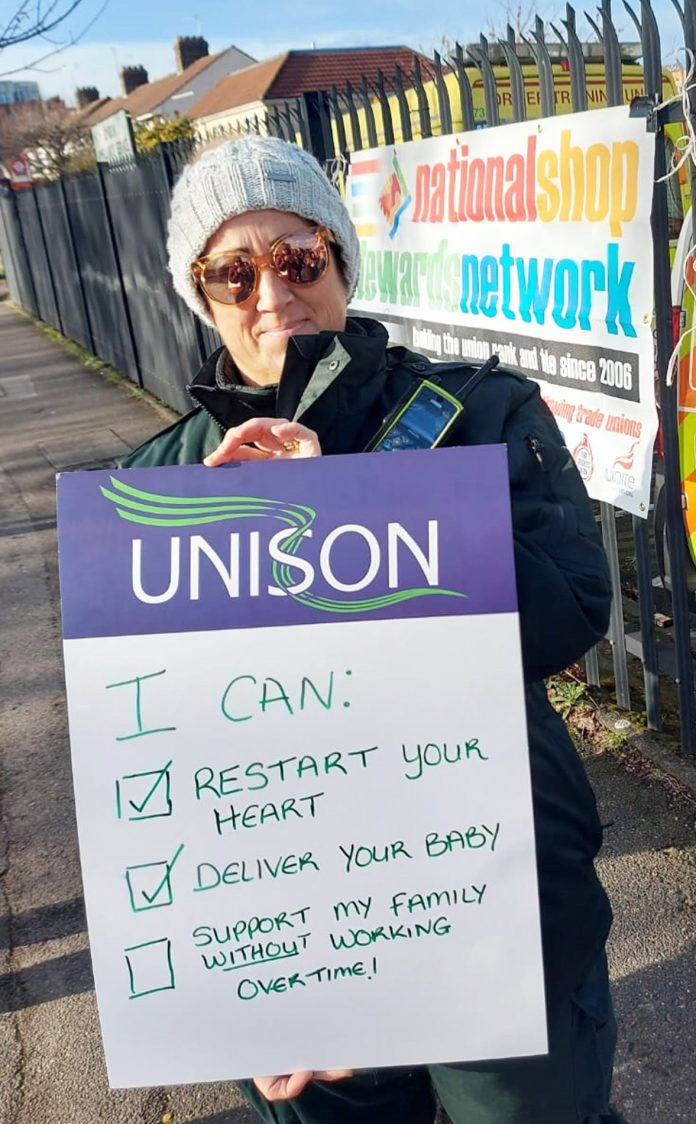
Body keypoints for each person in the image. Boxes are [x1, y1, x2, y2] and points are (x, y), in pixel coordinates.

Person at [121, 135, 621, 1124]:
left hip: (498, 895)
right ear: (202, 293)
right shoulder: (159, 484)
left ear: (340, 257)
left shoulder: (478, 409)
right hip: (291, 921)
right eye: (234, 271)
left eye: (299, 256)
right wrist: (216, 982)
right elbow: (153, 746)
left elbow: (568, 609)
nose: (272, 293)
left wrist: (357, 514)